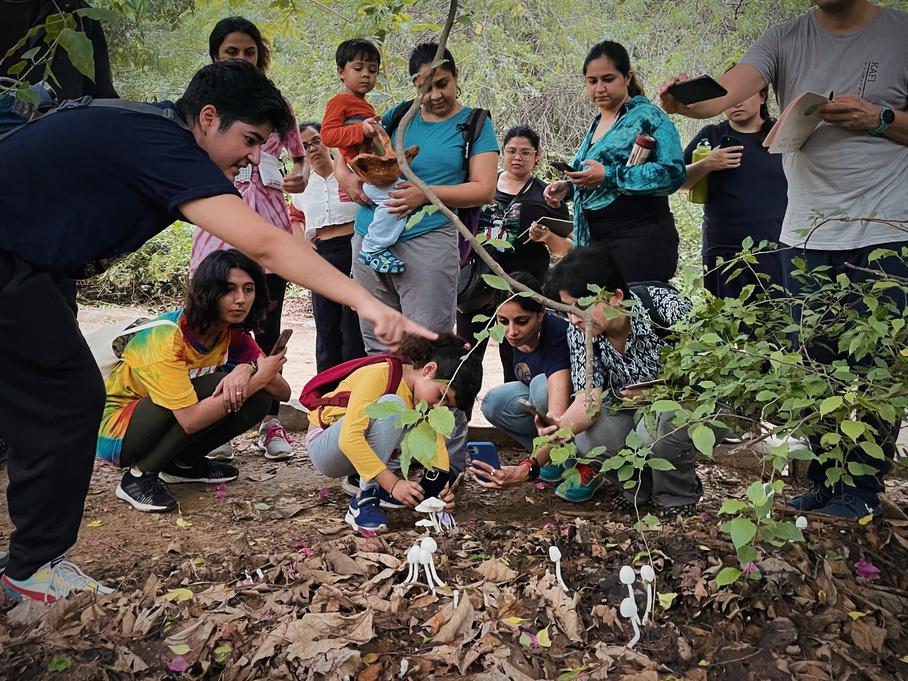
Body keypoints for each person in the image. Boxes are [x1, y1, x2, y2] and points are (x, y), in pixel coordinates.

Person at [0, 58, 431, 603]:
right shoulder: (167, 147)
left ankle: (27, 559)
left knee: (33, 403)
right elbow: (269, 244)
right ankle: (33, 566)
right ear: (207, 118)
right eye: (249, 140)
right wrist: (371, 305)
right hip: (12, 263)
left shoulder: (147, 130)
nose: (253, 158)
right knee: (66, 398)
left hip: (35, 268)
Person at [660, 0, 907, 518]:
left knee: (871, 363)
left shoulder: (899, 32)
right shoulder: (784, 38)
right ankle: (824, 476)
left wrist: (880, 118)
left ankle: (862, 488)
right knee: (815, 360)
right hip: (805, 230)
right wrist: (685, 104)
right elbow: (727, 90)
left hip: (885, 225)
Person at [472, 244, 723, 516]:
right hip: (630, 407)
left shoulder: (664, 307)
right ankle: (639, 488)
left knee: (655, 430)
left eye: (579, 308)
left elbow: (714, 370)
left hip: (689, 404)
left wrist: (662, 393)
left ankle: (677, 497)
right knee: (587, 440)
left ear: (614, 297)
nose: (573, 319)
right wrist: (544, 448)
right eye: (567, 310)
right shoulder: (582, 331)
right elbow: (587, 400)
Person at [190, 17, 306, 462]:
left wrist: (297, 180)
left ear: (261, 57)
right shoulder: (204, 110)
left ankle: (268, 419)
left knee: (263, 326)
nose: (241, 59)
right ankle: (199, 421)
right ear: (216, 57)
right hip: (218, 225)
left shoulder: (278, 105)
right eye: (231, 53)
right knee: (206, 324)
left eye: (249, 52)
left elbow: (300, 161)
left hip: (270, 231)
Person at [336, 41, 499, 354]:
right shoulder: (400, 115)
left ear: (456, 77)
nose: (435, 95)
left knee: (427, 346)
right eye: (425, 87)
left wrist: (425, 195)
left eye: (442, 84)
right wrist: (344, 176)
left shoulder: (474, 124)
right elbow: (347, 143)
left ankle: (430, 405)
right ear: (414, 86)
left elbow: (484, 188)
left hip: (428, 240)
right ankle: (384, 402)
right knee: (379, 347)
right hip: (369, 238)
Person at [97, 250, 290, 513]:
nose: (241, 300)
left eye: (248, 289)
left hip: (166, 415)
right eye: (229, 290)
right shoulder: (165, 337)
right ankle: (138, 478)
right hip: (118, 433)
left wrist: (250, 368)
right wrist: (257, 378)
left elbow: (282, 392)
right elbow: (190, 420)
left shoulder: (229, 333)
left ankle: (181, 465)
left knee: (259, 399)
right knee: (221, 385)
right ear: (208, 292)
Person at [307, 334, 483, 532]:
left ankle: (362, 478)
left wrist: (438, 495)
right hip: (326, 447)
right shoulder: (381, 374)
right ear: (429, 370)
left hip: (354, 453)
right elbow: (349, 439)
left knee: (415, 424)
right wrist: (392, 484)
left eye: (447, 405)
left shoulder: (423, 402)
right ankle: (364, 499)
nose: (438, 406)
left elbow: (437, 449)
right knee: (393, 407)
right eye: (441, 396)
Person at [543, 40, 685, 282]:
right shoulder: (597, 123)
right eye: (592, 81)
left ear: (627, 77)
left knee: (632, 314)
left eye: (608, 79)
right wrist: (568, 187)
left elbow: (672, 174)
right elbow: (591, 175)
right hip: (596, 241)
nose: (599, 88)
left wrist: (610, 175)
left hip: (639, 236)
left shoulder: (648, 117)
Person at [461, 125, 570, 375]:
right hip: (478, 285)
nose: (517, 157)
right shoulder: (482, 187)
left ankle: (512, 409)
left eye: (525, 152)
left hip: (521, 290)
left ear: (537, 154)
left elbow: (566, 247)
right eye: (511, 151)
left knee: (516, 362)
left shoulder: (547, 196)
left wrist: (546, 236)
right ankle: (460, 414)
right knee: (467, 359)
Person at [681, 85, 787, 298]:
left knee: (780, 324)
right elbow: (678, 182)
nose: (736, 102)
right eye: (730, 96)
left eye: (744, 94)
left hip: (777, 248)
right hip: (723, 251)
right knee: (727, 326)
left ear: (762, 97)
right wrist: (708, 163)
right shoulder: (712, 135)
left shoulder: (781, 135)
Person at [320, 38, 408, 275]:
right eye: (358, 68)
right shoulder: (340, 102)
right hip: (359, 171)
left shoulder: (365, 107)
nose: (366, 75)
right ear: (341, 72)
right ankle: (373, 247)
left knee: (399, 194)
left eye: (372, 70)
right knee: (394, 200)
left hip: (372, 169)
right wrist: (361, 129)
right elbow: (328, 136)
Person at [478, 272, 572, 483]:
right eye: (503, 321)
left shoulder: (557, 335)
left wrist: (527, 468)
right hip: (544, 409)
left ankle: (578, 465)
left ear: (540, 313)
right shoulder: (510, 335)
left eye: (521, 321)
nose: (511, 331)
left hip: (575, 412)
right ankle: (551, 459)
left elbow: (558, 416)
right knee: (493, 402)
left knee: (540, 386)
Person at [289, 122, 366, 371]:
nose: (312, 149)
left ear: (327, 141)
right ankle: (326, 390)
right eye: (304, 146)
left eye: (315, 141)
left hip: (354, 248)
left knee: (355, 322)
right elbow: (294, 218)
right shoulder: (302, 185)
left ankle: (357, 385)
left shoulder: (350, 172)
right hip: (321, 253)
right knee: (326, 323)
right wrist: (302, 243)